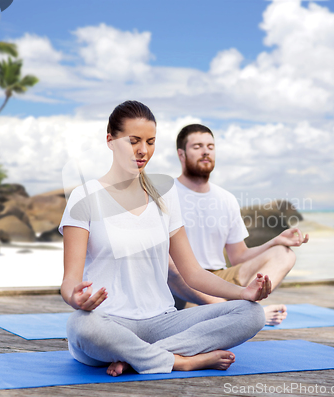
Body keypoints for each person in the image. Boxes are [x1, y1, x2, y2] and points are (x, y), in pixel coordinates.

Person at [58, 101, 269, 377]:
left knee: (252, 313)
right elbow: (69, 282)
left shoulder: (164, 195)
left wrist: (243, 293)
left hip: (163, 322)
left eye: (150, 142)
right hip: (108, 323)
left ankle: (138, 358)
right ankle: (181, 361)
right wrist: (76, 299)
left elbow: (192, 272)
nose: (143, 151)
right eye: (133, 141)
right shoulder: (84, 197)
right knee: (81, 326)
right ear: (110, 139)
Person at [167, 124, 309, 325]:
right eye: (197, 146)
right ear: (181, 154)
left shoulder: (226, 199)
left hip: (217, 278)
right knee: (167, 262)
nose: (206, 151)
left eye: (210, 146)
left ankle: (237, 310)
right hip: (179, 284)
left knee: (284, 253)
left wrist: (275, 241)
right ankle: (236, 315)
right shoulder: (166, 194)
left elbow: (239, 257)